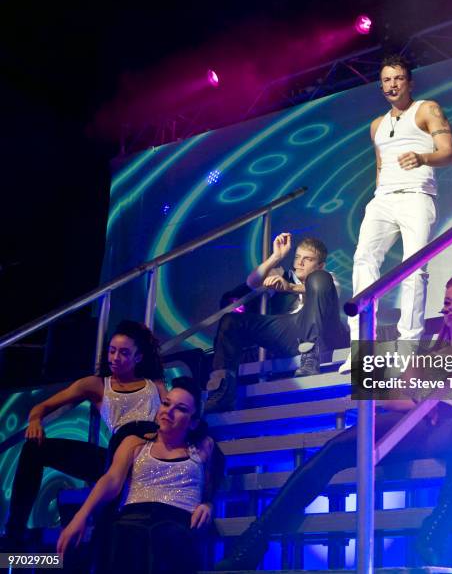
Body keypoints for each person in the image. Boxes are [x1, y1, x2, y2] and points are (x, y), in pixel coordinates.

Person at [215, 274, 452, 569]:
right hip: (418, 424)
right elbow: (387, 397)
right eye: (447, 303)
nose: (451, 308)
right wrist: (420, 402)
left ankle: (437, 526)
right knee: (335, 448)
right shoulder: (427, 357)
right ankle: (253, 541)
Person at [2, 320, 167, 548]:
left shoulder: (154, 384)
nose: (115, 357)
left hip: (148, 455)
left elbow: (171, 416)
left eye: (123, 353)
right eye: (112, 351)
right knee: (33, 448)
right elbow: (40, 407)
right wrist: (34, 421)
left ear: (138, 358)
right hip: (114, 458)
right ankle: (14, 532)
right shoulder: (96, 385)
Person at [340, 54, 452, 373]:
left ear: (409, 82)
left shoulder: (427, 109)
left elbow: (448, 153)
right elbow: (380, 165)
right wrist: (379, 195)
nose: (392, 85)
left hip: (417, 195)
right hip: (383, 199)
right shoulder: (376, 125)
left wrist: (422, 158)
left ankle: (409, 345)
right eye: (386, 80)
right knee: (363, 259)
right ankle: (362, 347)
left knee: (414, 268)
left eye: (398, 78)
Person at [57, 377, 216, 574]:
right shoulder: (134, 443)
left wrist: (208, 504)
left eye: (181, 408)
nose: (169, 411)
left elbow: (210, 487)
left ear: (193, 423)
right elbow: (111, 480)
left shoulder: (203, 446)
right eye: (166, 404)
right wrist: (82, 515)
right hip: (133, 518)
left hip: (177, 521)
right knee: (119, 531)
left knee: (164, 533)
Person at [205, 233, 348, 413]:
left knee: (318, 279)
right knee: (230, 321)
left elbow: (326, 289)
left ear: (320, 264)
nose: (299, 263)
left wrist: (289, 288)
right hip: (289, 330)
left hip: (322, 334)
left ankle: (310, 356)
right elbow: (252, 282)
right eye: (297, 257)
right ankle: (222, 390)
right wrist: (276, 257)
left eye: (308, 259)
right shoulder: (283, 275)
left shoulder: (327, 277)